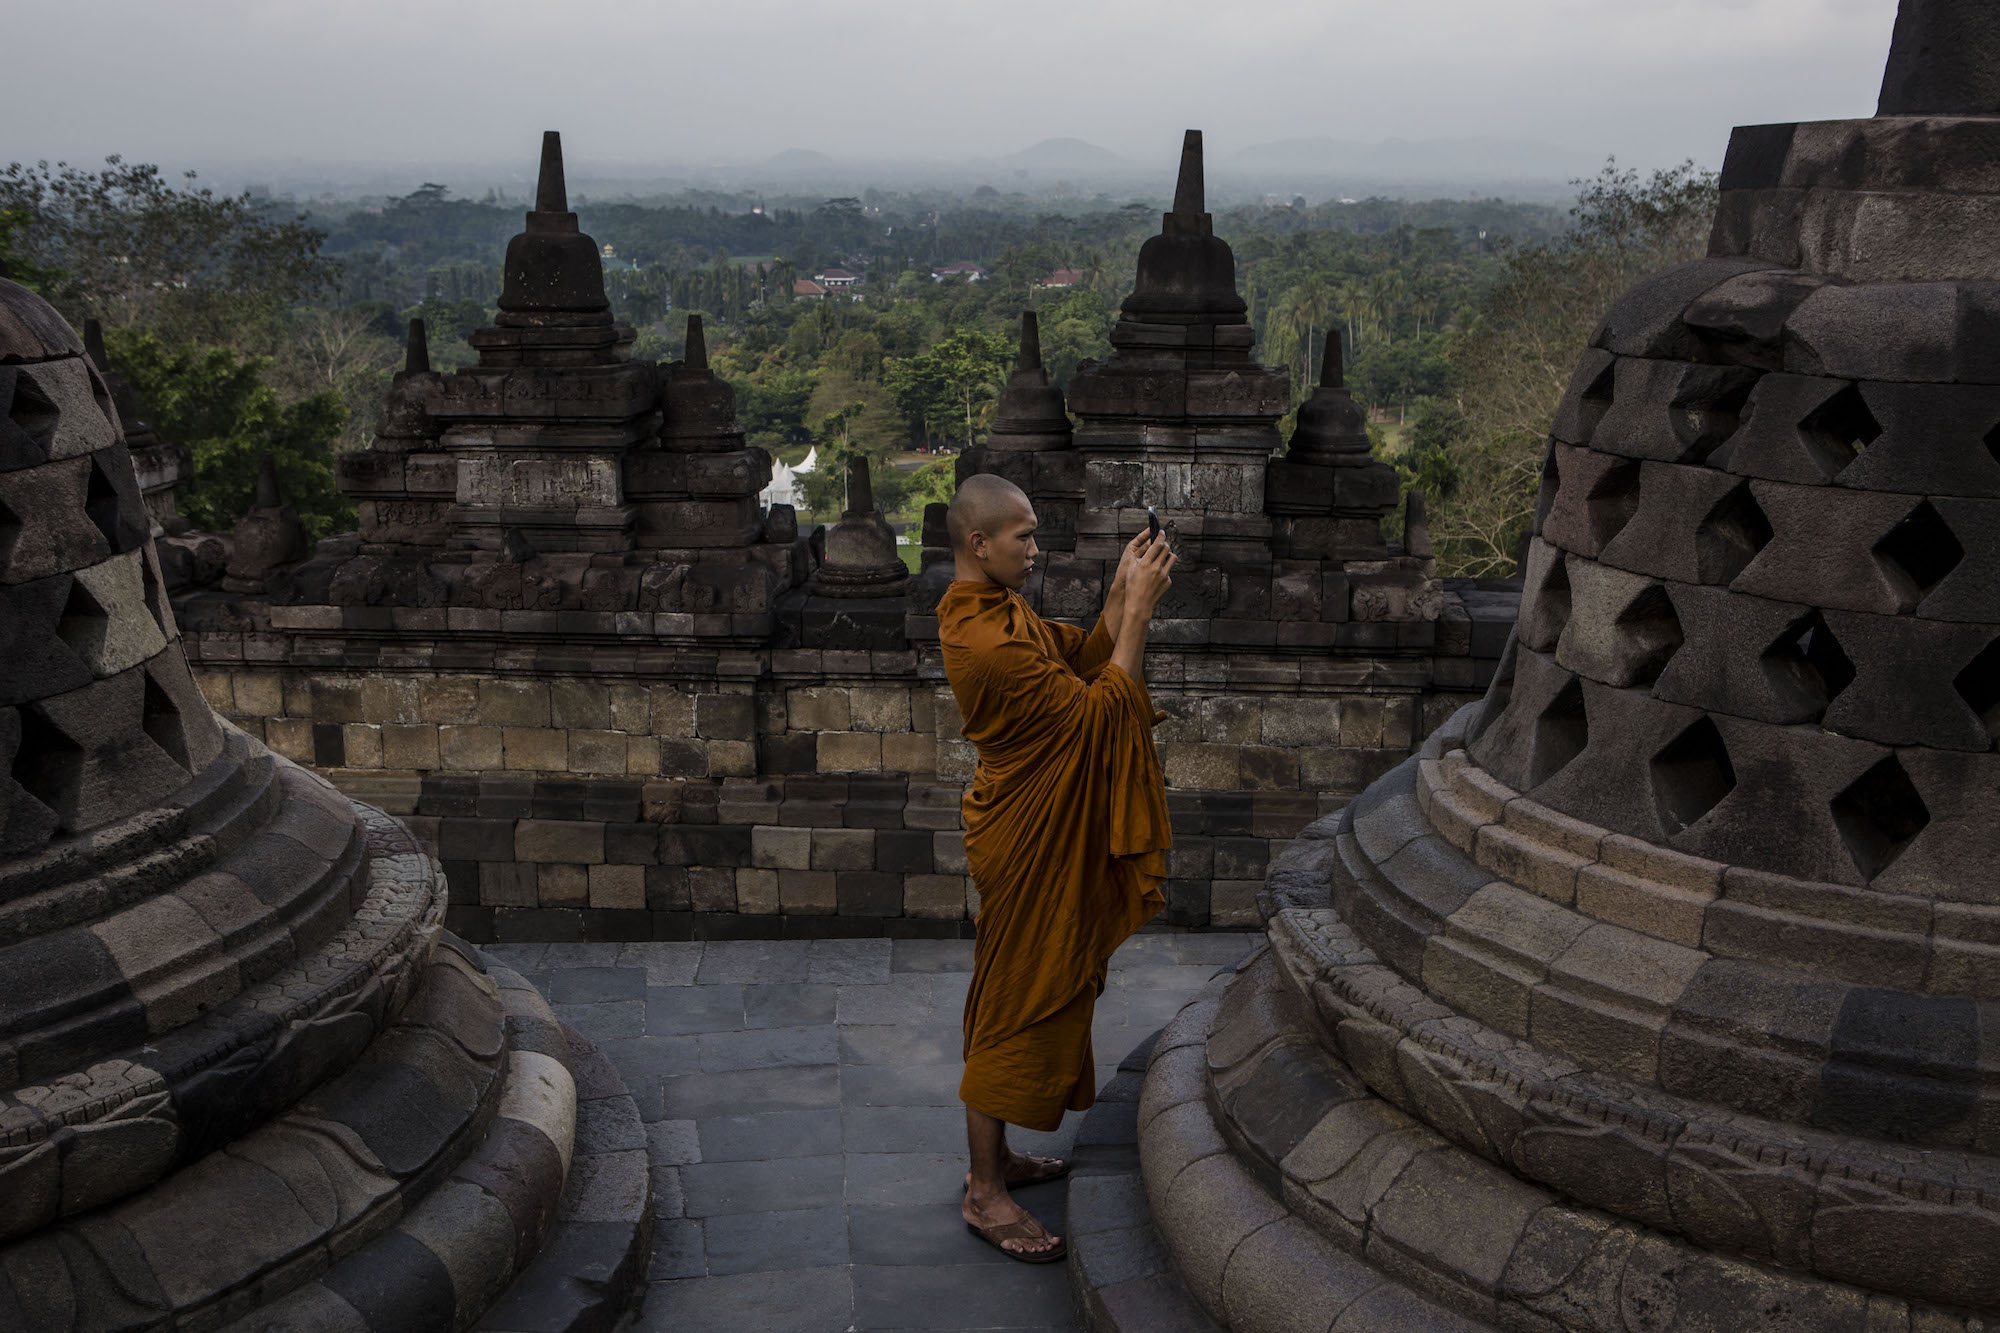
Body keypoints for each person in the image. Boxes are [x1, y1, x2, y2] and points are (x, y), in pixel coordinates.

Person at [937, 472, 1176, 1262]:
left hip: (1031, 818)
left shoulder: (994, 608)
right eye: (1023, 537)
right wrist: (1138, 611)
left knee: (1023, 981)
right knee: (1013, 998)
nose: (1036, 551)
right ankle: (983, 1190)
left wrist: (1115, 596)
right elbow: (1098, 712)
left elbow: (1075, 657)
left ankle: (996, 1157)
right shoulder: (983, 639)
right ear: (980, 543)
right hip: (1024, 834)